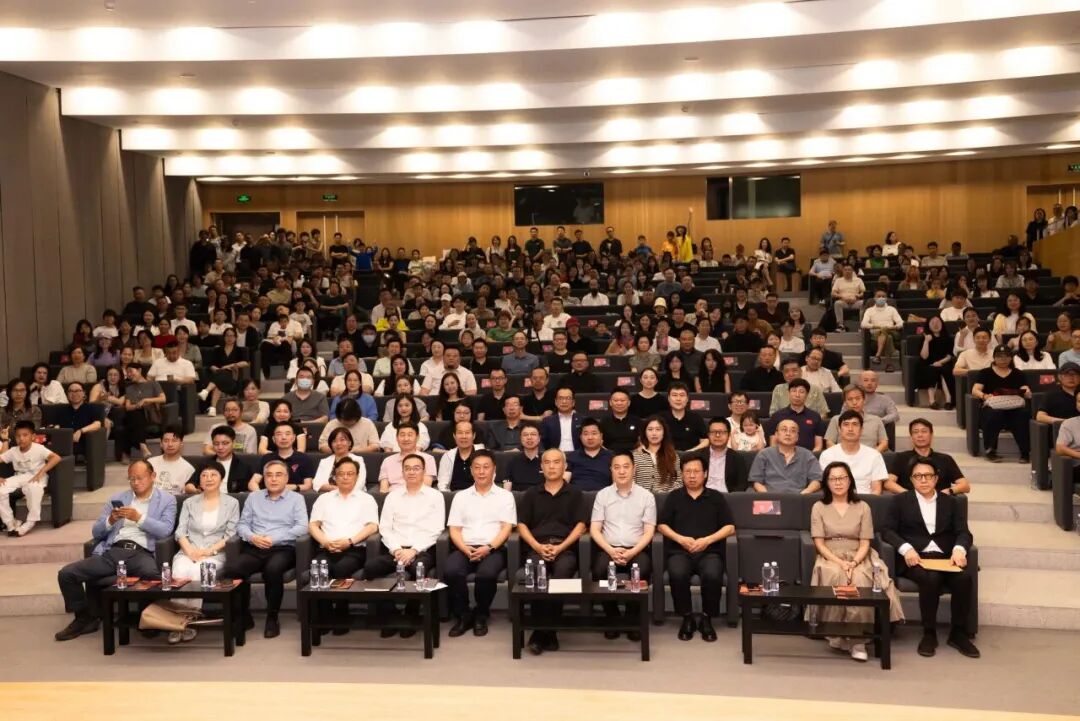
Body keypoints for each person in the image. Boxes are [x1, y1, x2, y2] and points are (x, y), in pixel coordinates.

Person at [55, 460, 177, 641]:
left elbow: (165, 530)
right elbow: (96, 532)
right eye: (131, 479)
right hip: (113, 552)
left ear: (152, 476)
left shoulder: (167, 500)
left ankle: (148, 619)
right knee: (67, 574)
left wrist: (139, 518)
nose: (136, 482)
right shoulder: (117, 499)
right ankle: (84, 618)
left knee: (155, 578)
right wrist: (110, 521)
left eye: (140, 478)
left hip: (141, 552)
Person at [883, 457, 979, 659]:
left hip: (945, 557)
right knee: (931, 578)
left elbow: (963, 532)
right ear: (911, 479)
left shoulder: (951, 502)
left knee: (963, 579)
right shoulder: (900, 501)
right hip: (915, 557)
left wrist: (959, 550)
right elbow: (887, 531)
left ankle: (958, 633)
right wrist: (906, 549)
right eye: (918, 476)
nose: (923, 480)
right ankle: (929, 633)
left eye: (928, 475)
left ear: (936, 479)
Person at [808, 461, 904, 662]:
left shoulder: (863, 506)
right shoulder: (819, 507)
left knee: (859, 579)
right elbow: (819, 543)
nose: (838, 483)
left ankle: (858, 639)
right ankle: (837, 634)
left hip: (859, 554)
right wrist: (840, 562)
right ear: (826, 483)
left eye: (842, 478)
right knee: (837, 575)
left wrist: (853, 562)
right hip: (830, 555)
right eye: (833, 479)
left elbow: (865, 542)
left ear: (850, 480)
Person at [517, 449, 589, 655]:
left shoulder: (575, 493)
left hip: (564, 548)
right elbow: (522, 525)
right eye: (547, 462)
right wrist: (537, 547)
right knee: (536, 575)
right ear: (541, 467)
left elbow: (581, 526)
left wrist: (560, 547)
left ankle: (542, 632)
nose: (551, 466)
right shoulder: (531, 494)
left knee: (561, 575)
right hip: (537, 547)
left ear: (564, 466)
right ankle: (547, 632)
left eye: (556, 462)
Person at [658, 456, 735, 643]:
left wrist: (707, 540)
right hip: (679, 551)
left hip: (709, 551)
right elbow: (662, 525)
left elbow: (730, 527)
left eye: (696, 471)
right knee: (677, 573)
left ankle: (707, 618)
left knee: (713, 574)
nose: (692, 476)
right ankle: (687, 618)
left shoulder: (716, 497)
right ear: (682, 474)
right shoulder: (674, 497)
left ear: (705, 473)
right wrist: (680, 539)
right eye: (687, 472)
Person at [228, 459, 308, 638]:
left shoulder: (297, 499)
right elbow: (242, 525)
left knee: (272, 570)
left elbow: (302, 527)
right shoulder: (253, 497)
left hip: (283, 548)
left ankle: (272, 617)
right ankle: (243, 616)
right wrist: (253, 537)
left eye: (278, 475)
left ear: (286, 478)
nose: (273, 479)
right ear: (263, 478)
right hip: (255, 546)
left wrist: (274, 539)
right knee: (233, 569)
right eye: (269, 475)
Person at [445, 450, 517, 638]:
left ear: (494, 470)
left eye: (486, 467)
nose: (481, 471)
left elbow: (506, 528)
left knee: (486, 575)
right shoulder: (461, 496)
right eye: (477, 467)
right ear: (471, 470)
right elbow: (454, 529)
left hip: (493, 548)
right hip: (465, 547)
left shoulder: (505, 496)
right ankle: (463, 614)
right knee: (451, 571)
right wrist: (464, 548)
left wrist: (489, 547)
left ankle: (481, 614)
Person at [167, 461, 240, 642]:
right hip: (188, 550)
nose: (209, 478)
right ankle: (175, 622)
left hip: (215, 553)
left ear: (221, 479)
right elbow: (180, 532)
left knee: (199, 572)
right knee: (179, 572)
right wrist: (190, 551)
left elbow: (230, 535)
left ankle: (189, 621)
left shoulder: (232, 503)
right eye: (204, 475)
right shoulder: (189, 502)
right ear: (199, 480)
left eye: (213, 475)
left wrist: (206, 552)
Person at [308, 456, 379, 633]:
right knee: (319, 570)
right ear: (335, 476)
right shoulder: (324, 499)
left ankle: (341, 616)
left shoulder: (366, 499)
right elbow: (313, 525)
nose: (345, 477)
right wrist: (325, 541)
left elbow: (372, 526)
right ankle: (324, 617)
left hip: (354, 549)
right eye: (341, 474)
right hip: (327, 547)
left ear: (357, 476)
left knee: (341, 569)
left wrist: (350, 541)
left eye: (350, 473)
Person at [590, 451, 656, 637]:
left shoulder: (646, 496)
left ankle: (632, 618)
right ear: (611, 470)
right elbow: (595, 529)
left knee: (642, 569)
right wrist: (611, 550)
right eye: (616, 467)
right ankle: (612, 616)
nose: (621, 471)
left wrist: (631, 552)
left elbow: (649, 532)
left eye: (626, 467)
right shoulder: (603, 495)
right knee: (599, 571)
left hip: (636, 549)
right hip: (609, 548)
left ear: (634, 469)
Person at [971, 345, 1032, 463]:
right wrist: (984, 396)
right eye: (999, 356)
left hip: (1013, 406)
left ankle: (1025, 452)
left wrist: (1027, 392)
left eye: (1006, 356)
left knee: (1023, 414)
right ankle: (991, 450)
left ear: (1011, 358)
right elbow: (975, 390)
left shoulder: (1018, 373)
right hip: (993, 406)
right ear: (994, 358)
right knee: (994, 414)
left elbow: (1025, 388)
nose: (1003, 359)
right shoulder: (985, 372)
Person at [0, 421, 61, 536]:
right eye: (18, 436)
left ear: (33, 436)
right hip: (19, 477)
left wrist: (41, 472)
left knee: (33, 488)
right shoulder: (13, 451)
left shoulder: (39, 448)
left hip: (37, 476)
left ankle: (30, 522)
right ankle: (10, 523)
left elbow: (56, 458)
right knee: (0, 489)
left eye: (25, 435)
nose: (21, 438)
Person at [885, 419, 970, 494]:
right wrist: (908, 495)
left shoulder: (945, 459)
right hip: (910, 503)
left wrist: (949, 491)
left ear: (931, 435)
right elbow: (888, 483)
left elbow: (965, 485)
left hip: (939, 502)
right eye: (915, 432)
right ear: (911, 437)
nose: (920, 435)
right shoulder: (901, 457)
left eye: (924, 431)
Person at [818, 411, 887, 494]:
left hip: (866, 499)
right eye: (846, 424)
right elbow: (827, 488)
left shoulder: (874, 455)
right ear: (839, 430)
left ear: (861, 430)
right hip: (836, 499)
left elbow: (876, 490)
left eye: (855, 424)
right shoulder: (827, 455)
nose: (850, 429)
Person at [748, 419, 823, 494]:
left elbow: (817, 480)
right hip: (769, 497)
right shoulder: (764, 454)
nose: (788, 433)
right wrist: (768, 496)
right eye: (784, 430)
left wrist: (806, 492)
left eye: (793, 431)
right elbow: (756, 481)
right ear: (776, 434)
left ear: (797, 437)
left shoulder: (807, 455)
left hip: (799, 497)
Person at [113, 364, 166, 462]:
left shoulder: (153, 384)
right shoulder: (129, 388)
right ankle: (142, 445)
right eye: (127, 373)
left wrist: (146, 400)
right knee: (134, 413)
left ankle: (126, 453)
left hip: (149, 415)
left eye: (131, 371)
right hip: (134, 416)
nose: (129, 374)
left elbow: (163, 398)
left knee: (129, 422)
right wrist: (137, 406)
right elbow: (128, 406)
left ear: (139, 370)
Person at [249, 423, 316, 492]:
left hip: (295, 494)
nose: (283, 437)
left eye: (287, 434)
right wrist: (260, 495)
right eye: (279, 434)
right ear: (273, 439)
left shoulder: (304, 458)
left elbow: (308, 485)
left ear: (293, 438)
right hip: (269, 495)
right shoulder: (266, 458)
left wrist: (293, 487)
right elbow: (253, 483)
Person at [189, 426, 255, 493]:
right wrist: (196, 491)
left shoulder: (244, 466)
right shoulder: (205, 464)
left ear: (233, 443)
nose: (220, 447)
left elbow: (249, 490)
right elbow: (189, 485)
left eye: (225, 443)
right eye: (216, 444)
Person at [823, 387, 889, 452]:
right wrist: (842, 455)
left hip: (870, 456)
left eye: (858, 398)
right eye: (850, 399)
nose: (854, 402)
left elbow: (884, 443)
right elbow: (829, 443)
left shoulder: (876, 420)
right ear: (845, 402)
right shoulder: (836, 419)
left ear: (864, 400)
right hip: (843, 456)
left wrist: (872, 455)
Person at [766, 379, 824, 451]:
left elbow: (818, 445)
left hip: (808, 456)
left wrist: (809, 456)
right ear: (788, 393)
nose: (797, 395)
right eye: (794, 391)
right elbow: (773, 444)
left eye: (801, 392)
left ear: (807, 395)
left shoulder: (815, 416)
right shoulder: (777, 416)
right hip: (781, 456)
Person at [377, 423, 437, 492]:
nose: (406, 439)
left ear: (417, 437)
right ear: (397, 438)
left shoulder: (428, 459)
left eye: (410, 435)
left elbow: (426, 487)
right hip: (393, 496)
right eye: (402, 435)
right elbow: (383, 489)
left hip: (418, 496)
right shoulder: (387, 461)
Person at [695, 417, 749, 492]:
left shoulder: (737, 458)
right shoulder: (697, 456)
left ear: (729, 435)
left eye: (722, 432)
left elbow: (742, 484)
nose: (717, 435)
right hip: (703, 495)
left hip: (728, 496)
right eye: (713, 432)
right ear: (708, 435)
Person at [566, 419, 614, 491]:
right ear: (581, 437)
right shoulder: (571, 457)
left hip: (604, 495)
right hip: (577, 495)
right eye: (586, 434)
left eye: (594, 433)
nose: (590, 437)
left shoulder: (612, 457)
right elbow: (564, 481)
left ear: (601, 436)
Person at [437, 420, 486, 491]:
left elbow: (488, 481)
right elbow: (442, 483)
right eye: (460, 433)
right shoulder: (447, 456)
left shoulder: (484, 455)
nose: (464, 436)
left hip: (478, 494)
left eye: (467, 433)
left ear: (474, 435)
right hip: (453, 495)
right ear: (454, 436)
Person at [147, 425, 195, 496]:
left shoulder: (188, 469)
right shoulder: (150, 463)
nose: (170, 444)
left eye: (174, 441)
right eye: (166, 441)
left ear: (181, 443)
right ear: (161, 444)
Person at [861, 289, 902, 371]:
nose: (881, 298)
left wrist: (891, 327)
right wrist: (878, 327)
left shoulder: (891, 309)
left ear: (886, 298)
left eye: (883, 296)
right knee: (888, 337)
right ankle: (889, 363)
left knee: (886, 331)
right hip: (876, 333)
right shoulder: (869, 310)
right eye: (879, 296)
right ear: (874, 298)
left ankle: (878, 355)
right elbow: (863, 324)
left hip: (892, 331)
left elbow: (901, 323)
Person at [661, 382, 708, 452]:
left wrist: (690, 452)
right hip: (666, 456)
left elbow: (705, 441)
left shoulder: (696, 418)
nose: (678, 399)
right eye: (674, 395)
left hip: (691, 456)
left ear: (687, 399)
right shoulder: (660, 419)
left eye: (682, 395)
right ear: (668, 398)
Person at [503, 422, 544, 490]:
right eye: (525, 435)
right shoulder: (512, 462)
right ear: (520, 439)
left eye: (533, 434)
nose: (529, 437)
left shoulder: (547, 461)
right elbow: (507, 488)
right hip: (518, 496)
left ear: (539, 438)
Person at [597, 389, 641, 454]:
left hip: (634, 455)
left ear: (629, 403)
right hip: (609, 455)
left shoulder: (637, 421)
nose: (619, 403)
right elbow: (599, 442)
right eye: (616, 400)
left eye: (622, 400)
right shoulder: (604, 422)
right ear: (610, 402)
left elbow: (642, 441)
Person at [540, 387, 583, 452]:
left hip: (577, 455)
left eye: (568, 398)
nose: (564, 401)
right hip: (555, 455)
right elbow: (543, 442)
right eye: (560, 398)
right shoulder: (547, 421)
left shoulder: (582, 420)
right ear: (556, 402)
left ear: (573, 402)